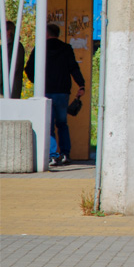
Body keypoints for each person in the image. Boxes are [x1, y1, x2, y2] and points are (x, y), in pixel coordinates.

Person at [24, 23, 85, 167]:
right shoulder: (66, 48)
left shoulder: (40, 49)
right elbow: (73, 67)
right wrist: (81, 85)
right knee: (62, 123)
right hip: (63, 92)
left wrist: (37, 81)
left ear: (46, 34)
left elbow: (28, 68)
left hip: (45, 91)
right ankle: (65, 154)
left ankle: (52, 155)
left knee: (49, 125)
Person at [5, 20, 26, 99]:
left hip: (11, 89)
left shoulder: (17, 47)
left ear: (8, 32)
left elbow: (12, 67)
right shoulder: (5, 47)